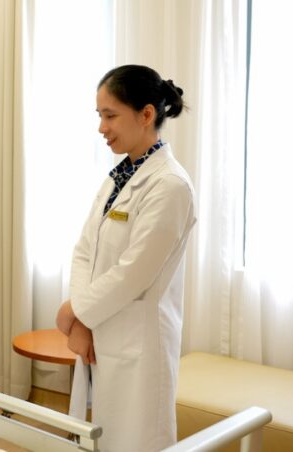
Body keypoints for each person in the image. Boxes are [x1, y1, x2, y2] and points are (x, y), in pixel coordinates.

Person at [55, 65, 196, 451]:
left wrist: (74, 310)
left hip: (140, 344)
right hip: (103, 329)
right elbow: (85, 249)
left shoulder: (170, 185)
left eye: (110, 115)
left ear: (146, 114)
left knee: (138, 439)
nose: (102, 127)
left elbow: (134, 272)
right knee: (103, 436)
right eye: (99, 115)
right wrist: (82, 320)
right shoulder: (119, 178)